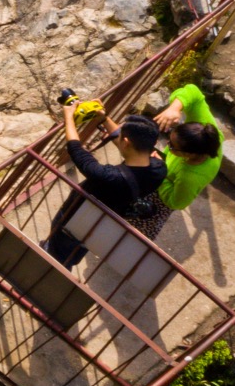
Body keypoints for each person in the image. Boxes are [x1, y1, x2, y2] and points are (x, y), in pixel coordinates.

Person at [44, 100, 166, 267]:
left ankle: (50, 265)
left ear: (127, 142)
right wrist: (103, 118)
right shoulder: (159, 168)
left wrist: (69, 117)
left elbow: (76, 149)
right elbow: (125, 144)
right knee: (78, 248)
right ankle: (62, 259)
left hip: (75, 218)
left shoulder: (108, 176)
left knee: (59, 251)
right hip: (103, 224)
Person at [127, 83, 224, 238]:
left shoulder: (190, 178)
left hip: (161, 198)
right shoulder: (205, 131)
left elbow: (175, 202)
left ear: (189, 155)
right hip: (164, 172)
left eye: (172, 146)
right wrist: (174, 108)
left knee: (137, 226)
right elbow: (193, 91)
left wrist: (159, 171)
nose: (167, 145)